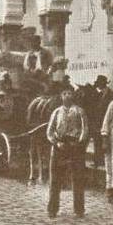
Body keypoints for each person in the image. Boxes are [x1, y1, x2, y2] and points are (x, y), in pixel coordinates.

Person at [46, 89, 89, 218]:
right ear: (61, 96)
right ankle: (52, 209)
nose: (67, 96)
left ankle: (79, 209)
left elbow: (85, 129)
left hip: (75, 147)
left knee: (78, 179)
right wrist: (56, 142)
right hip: (59, 147)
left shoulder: (80, 111)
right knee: (55, 179)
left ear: (73, 95)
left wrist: (79, 143)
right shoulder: (56, 112)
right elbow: (50, 131)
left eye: (69, 93)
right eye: (64, 93)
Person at [87, 75, 113, 168]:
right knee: (97, 141)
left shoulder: (112, 95)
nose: (98, 86)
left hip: (108, 122)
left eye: (99, 84)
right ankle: (97, 161)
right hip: (98, 122)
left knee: (107, 142)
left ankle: (106, 162)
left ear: (103, 84)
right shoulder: (97, 95)